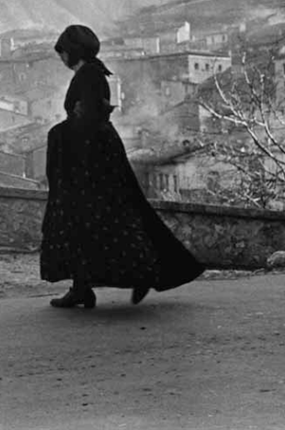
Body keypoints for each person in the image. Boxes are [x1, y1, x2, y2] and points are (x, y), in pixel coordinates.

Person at [40, 24, 205, 309]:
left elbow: (88, 118)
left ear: (72, 51)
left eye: (63, 52)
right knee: (94, 219)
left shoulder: (89, 75)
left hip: (90, 159)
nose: (62, 59)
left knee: (98, 218)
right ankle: (84, 286)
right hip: (94, 155)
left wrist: (61, 134)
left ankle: (136, 274)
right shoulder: (94, 72)